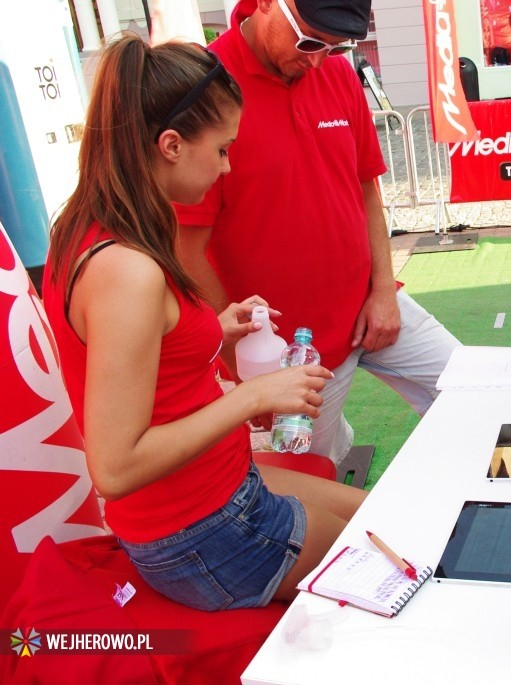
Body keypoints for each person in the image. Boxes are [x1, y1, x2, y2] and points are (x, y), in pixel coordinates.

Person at [43, 35, 366, 611]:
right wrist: (254, 397)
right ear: (170, 145)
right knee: (386, 547)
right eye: (221, 149)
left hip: (214, 497)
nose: (227, 165)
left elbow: (146, 354)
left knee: (377, 512)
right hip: (204, 533)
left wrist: (214, 327)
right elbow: (115, 468)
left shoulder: (87, 227)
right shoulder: (127, 270)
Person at [175, 0, 460, 467]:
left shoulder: (337, 73)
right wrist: (242, 366)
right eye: (309, 41)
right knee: (311, 477)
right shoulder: (206, 87)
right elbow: (188, 247)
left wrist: (384, 291)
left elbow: (366, 186)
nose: (316, 60)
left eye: (335, 46)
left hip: (368, 304)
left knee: (470, 384)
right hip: (285, 351)